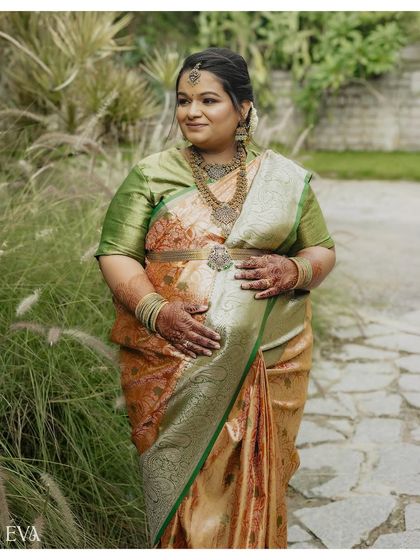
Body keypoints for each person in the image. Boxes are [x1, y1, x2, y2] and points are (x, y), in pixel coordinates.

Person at [94, 47, 336, 549]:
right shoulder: (151, 173)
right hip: (171, 360)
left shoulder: (284, 179)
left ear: (243, 107)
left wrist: (294, 268)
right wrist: (156, 312)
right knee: (180, 483)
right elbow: (115, 252)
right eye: (183, 100)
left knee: (255, 476)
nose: (192, 111)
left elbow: (322, 250)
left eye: (208, 99)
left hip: (269, 361)